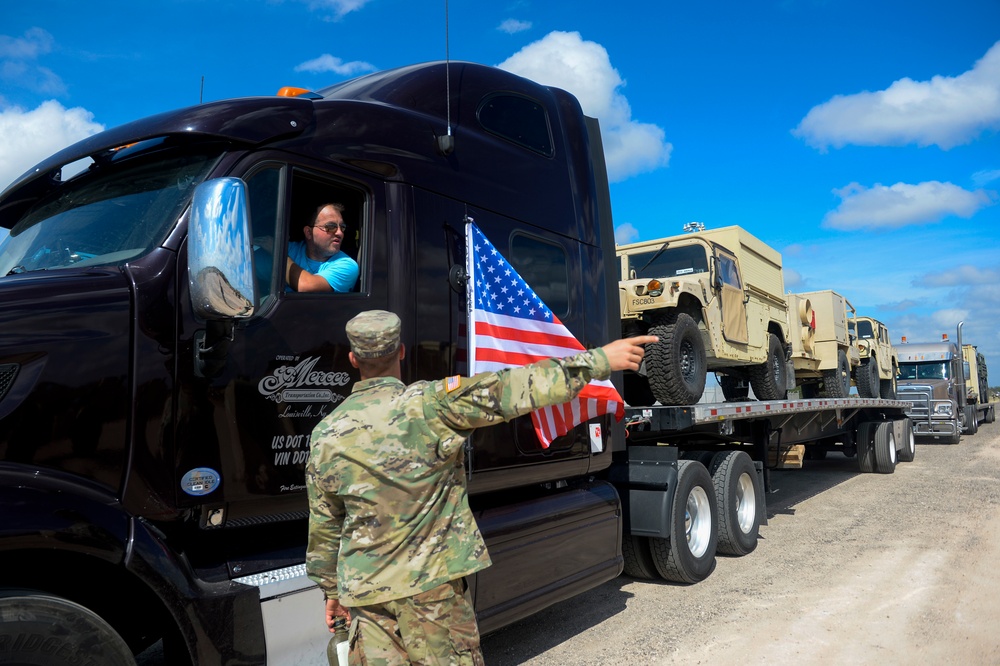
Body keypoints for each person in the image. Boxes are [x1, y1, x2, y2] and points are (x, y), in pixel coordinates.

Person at [305, 309, 657, 665]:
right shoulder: (431, 405)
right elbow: (515, 388)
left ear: (353, 359)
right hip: (432, 592)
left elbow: (325, 525)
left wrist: (331, 590)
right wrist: (599, 360)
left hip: (367, 597)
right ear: (401, 352)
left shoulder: (326, 434)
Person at [286, 203, 360, 292]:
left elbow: (306, 287)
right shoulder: (290, 248)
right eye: (331, 227)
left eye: (342, 227)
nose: (340, 233)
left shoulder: (348, 266)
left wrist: (279, 255)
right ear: (309, 233)